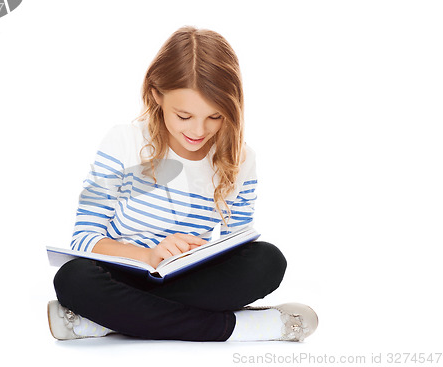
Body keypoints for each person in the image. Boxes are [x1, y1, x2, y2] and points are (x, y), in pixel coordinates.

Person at [47, 26, 318, 342]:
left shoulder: (241, 159)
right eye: (184, 116)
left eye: (215, 117)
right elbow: (83, 239)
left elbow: (237, 247)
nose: (199, 130)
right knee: (73, 278)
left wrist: (199, 255)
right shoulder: (123, 141)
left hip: (190, 280)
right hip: (124, 275)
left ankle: (101, 322)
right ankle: (236, 329)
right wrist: (149, 256)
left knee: (267, 260)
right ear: (157, 94)